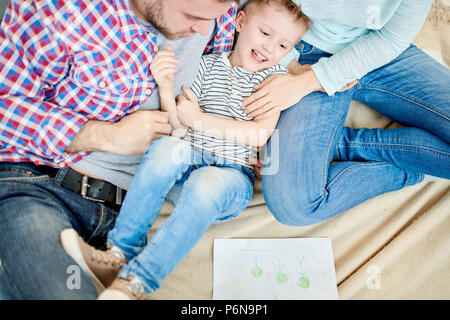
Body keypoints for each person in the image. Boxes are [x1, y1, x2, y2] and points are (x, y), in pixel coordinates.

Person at [60, 0, 311, 300]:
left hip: (230, 176)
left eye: (283, 45)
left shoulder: (272, 83)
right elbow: (179, 128)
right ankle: (119, 253)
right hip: (188, 161)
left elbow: (257, 135)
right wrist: (166, 88)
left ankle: (137, 283)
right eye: (265, 33)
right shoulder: (206, 65)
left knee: (206, 184)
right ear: (240, 22)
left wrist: (200, 120)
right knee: (166, 146)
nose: (270, 48)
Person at [0, 0, 237, 299]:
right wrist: (109, 136)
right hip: (44, 188)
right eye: (192, 17)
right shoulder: (55, 11)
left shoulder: (217, 12)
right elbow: (5, 106)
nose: (204, 29)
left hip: (129, 220)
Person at [242, 0, 450, 226]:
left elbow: (392, 38)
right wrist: (287, 62)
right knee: (295, 205)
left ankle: (337, 144)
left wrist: (314, 80)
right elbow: (246, 10)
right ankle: (421, 166)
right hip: (299, 50)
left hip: (379, 50)